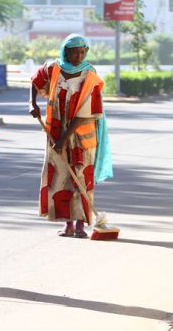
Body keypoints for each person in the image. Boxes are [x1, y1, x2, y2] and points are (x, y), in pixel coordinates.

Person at [29, 35, 112, 238]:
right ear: (65, 52)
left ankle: (81, 225)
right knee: (60, 178)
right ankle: (67, 225)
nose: (79, 56)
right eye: (75, 52)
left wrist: (64, 139)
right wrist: (32, 104)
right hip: (55, 132)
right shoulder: (52, 68)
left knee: (82, 178)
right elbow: (35, 81)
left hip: (82, 136)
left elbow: (86, 112)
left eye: (83, 52)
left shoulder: (89, 73)